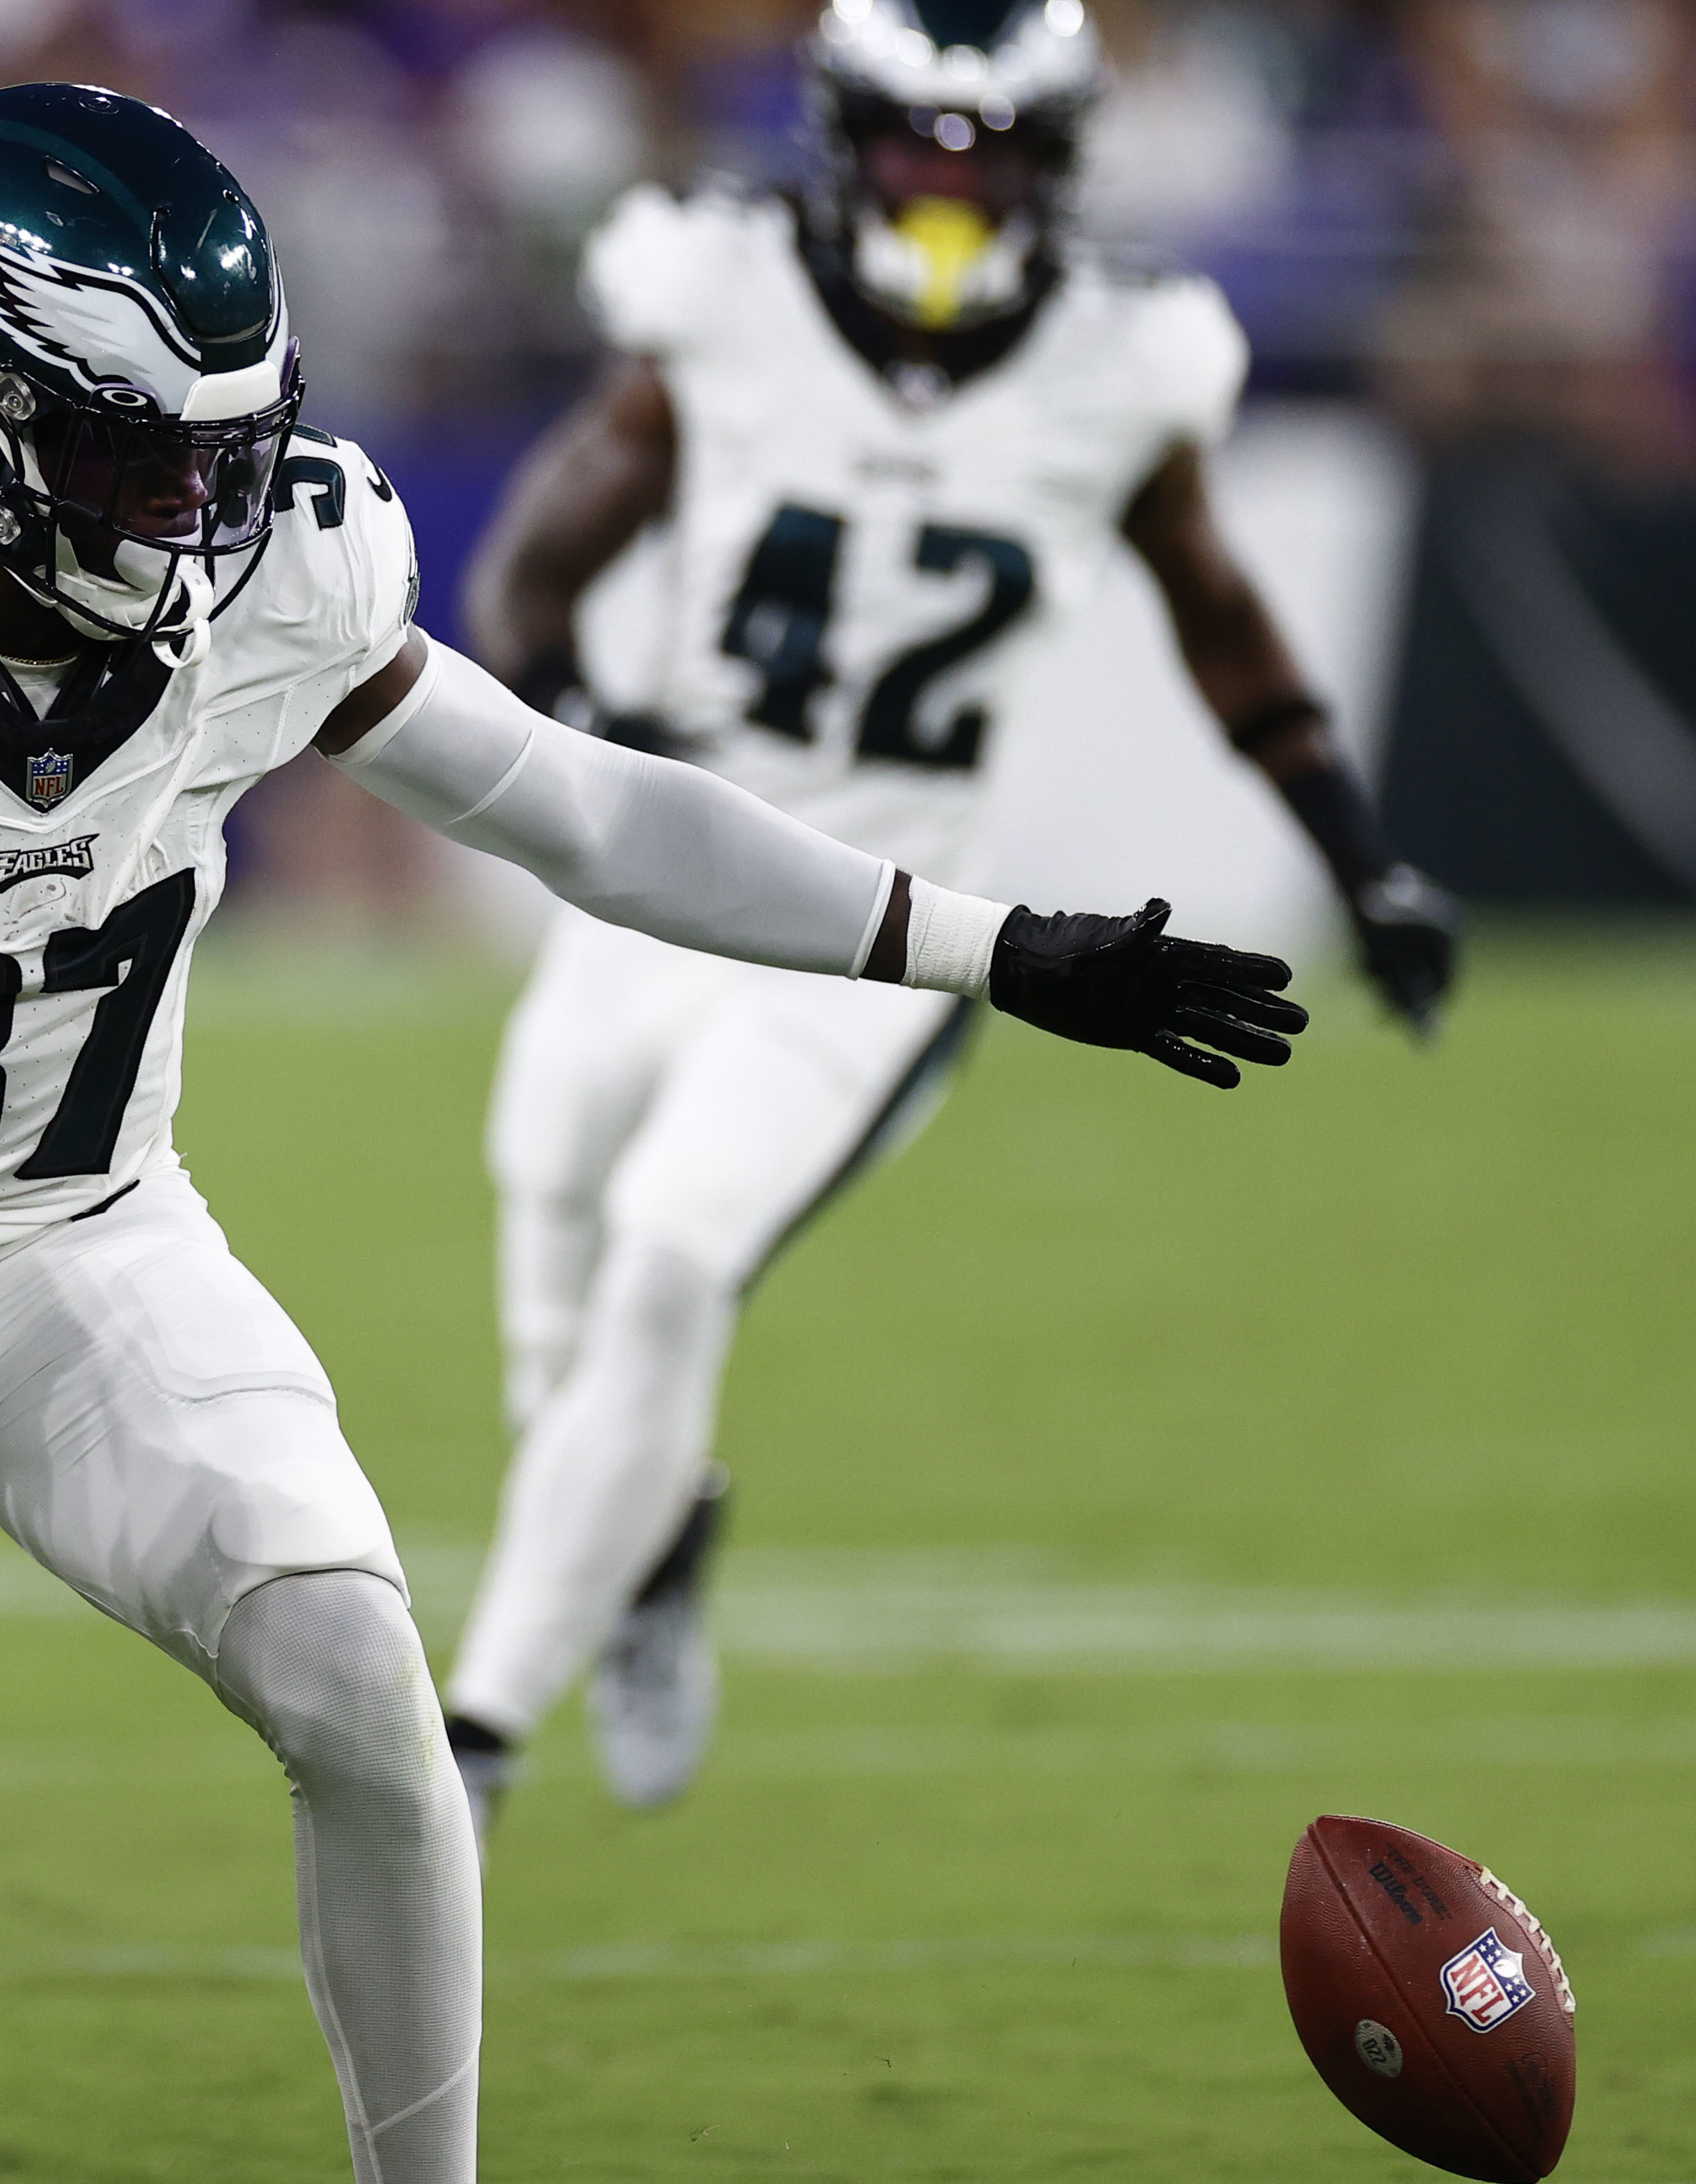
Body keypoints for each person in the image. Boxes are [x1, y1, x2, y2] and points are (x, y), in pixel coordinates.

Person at [0, 81, 1306, 2184]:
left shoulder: (275, 575)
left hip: (93, 1244)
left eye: (221, 445)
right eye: (123, 450)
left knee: (363, 1686)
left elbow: (585, 810)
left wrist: (986, 947)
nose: (191, 508)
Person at [435, 0, 1457, 1836]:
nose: (948, 193)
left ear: (1059, 167)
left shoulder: (1118, 365)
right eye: (918, 148)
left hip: (876, 928)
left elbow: (1219, 620)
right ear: (844, 140)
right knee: (553, 1293)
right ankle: (654, 1556)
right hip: (667, 883)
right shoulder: (720, 293)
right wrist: (581, 717)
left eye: (989, 159)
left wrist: (1357, 848)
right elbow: (533, 565)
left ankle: (480, 1732)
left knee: (675, 1259)